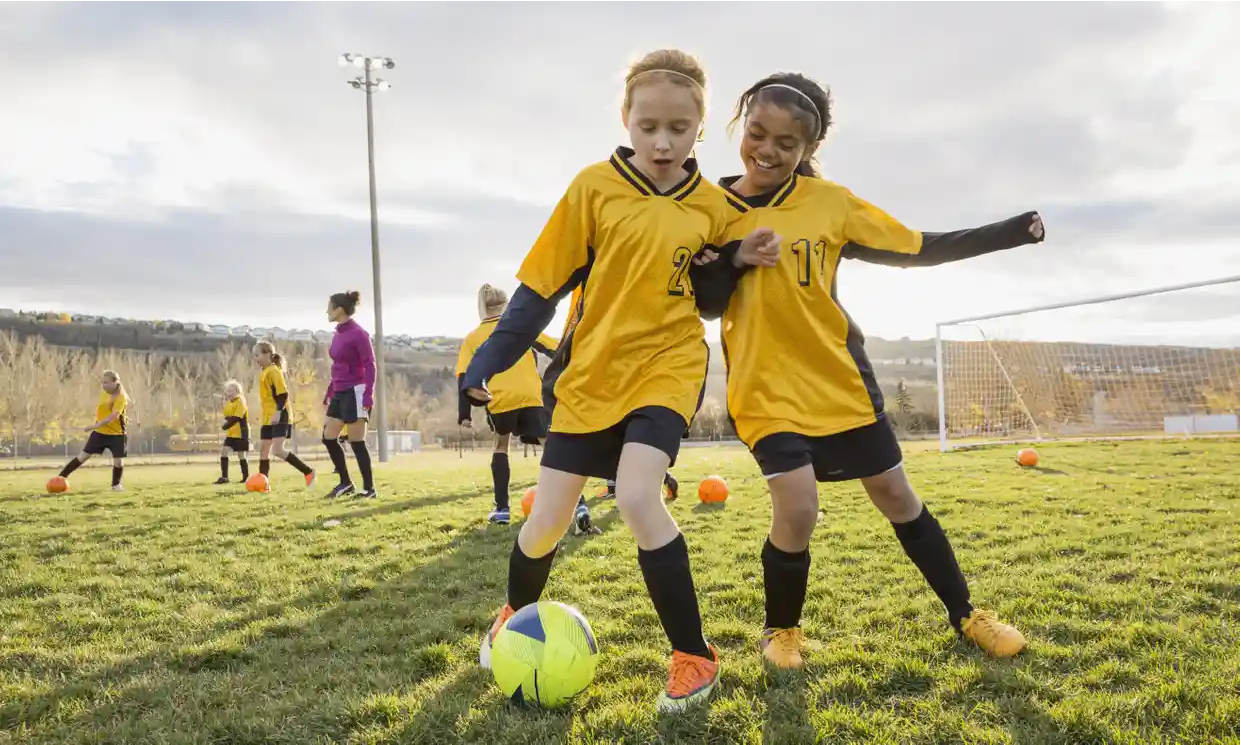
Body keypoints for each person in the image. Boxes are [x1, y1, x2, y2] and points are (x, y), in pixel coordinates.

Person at [462, 49, 776, 714]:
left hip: (667, 366)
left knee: (636, 495)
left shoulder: (716, 208)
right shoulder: (591, 189)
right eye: (648, 126)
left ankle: (694, 656)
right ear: (626, 120)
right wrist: (482, 363)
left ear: (700, 127)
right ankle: (515, 613)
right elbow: (536, 294)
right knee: (545, 520)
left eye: (679, 127)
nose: (662, 142)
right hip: (587, 378)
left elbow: (715, 298)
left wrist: (738, 261)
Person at [698, 72, 1043, 670]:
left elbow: (916, 245)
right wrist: (733, 256)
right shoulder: (708, 206)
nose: (768, 151)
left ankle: (966, 614)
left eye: (787, 143)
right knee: (798, 506)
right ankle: (781, 632)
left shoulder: (830, 204)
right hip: (764, 390)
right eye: (758, 134)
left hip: (839, 382)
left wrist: (1011, 232)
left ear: (808, 152)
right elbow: (703, 299)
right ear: (740, 128)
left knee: (895, 495)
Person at [456, 284, 560, 524]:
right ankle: (578, 504)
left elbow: (463, 376)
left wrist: (465, 414)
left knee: (501, 446)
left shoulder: (473, 338)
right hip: (531, 395)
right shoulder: (519, 327)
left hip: (500, 398)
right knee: (551, 447)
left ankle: (502, 510)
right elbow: (554, 348)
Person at [321, 290, 378, 499]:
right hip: (339, 391)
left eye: (329, 307)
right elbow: (339, 365)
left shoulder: (359, 334)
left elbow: (370, 365)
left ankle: (369, 489)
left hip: (356, 391)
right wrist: (330, 390)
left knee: (357, 442)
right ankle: (346, 483)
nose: (326, 311)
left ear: (339, 310)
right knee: (328, 437)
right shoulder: (338, 333)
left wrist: (368, 395)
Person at [252, 341, 316, 491]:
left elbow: (283, 394)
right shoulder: (265, 371)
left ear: (267, 354)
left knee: (278, 450)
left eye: (257, 355)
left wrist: (278, 412)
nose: (255, 359)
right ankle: (263, 484)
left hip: (280, 414)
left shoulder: (274, 371)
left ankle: (308, 472)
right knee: (263, 449)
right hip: (268, 416)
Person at [54, 369, 130, 492]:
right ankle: (59, 478)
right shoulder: (104, 394)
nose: (104, 385)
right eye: (102, 382)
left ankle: (116, 485)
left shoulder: (121, 397)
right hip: (100, 433)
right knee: (83, 456)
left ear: (115, 383)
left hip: (117, 434)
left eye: (107, 383)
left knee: (118, 462)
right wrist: (97, 425)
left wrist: (93, 426)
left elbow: (114, 416)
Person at [215, 379, 250, 485]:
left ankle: (246, 478)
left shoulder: (240, 401)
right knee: (224, 452)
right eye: (228, 391)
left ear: (237, 391)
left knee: (241, 455)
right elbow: (227, 416)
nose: (229, 393)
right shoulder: (229, 403)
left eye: (231, 391)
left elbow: (236, 418)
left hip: (241, 433)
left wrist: (224, 427)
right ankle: (225, 477)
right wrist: (221, 404)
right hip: (231, 434)